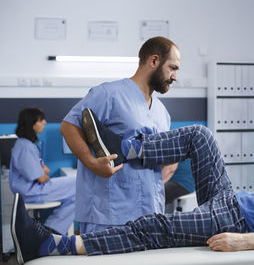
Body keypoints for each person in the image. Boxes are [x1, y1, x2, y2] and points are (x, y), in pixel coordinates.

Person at [12, 112, 254, 263]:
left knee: (154, 226)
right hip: (232, 200)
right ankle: (125, 149)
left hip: (239, 221)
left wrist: (240, 242)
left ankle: (54, 245)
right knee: (200, 136)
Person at [60, 36, 180, 233]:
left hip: (150, 212)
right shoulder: (109, 94)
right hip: (109, 212)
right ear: (154, 61)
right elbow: (68, 126)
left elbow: (165, 164)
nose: (175, 76)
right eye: (172, 68)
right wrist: (91, 162)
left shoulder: (161, 112)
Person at [9, 108, 76, 235]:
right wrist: (44, 173)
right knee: (79, 184)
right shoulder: (25, 147)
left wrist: (43, 172)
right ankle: (51, 230)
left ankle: (51, 230)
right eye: (41, 120)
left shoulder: (25, 144)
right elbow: (41, 178)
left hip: (32, 189)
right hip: (32, 192)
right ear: (32, 124)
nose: (45, 122)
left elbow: (41, 172)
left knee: (77, 194)